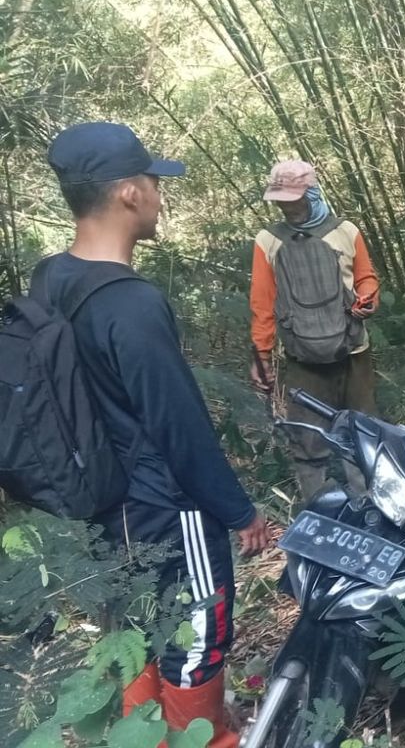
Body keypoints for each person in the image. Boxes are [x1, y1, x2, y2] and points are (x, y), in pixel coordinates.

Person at [40, 122, 270, 747]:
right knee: (197, 633)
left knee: (137, 624)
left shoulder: (51, 278)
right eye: (153, 182)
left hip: (100, 501)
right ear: (128, 194)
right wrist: (237, 511)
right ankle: (205, 738)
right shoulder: (131, 303)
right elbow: (179, 427)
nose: (160, 196)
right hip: (165, 505)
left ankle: (146, 736)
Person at [248, 160, 380, 501]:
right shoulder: (268, 241)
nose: (287, 205)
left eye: (293, 197)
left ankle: (369, 504)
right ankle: (319, 510)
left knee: (361, 429)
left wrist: (367, 297)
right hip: (302, 357)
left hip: (353, 350)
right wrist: (261, 355)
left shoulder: (346, 231)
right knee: (308, 438)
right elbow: (263, 304)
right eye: (281, 199)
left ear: (312, 192)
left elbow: (366, 276)